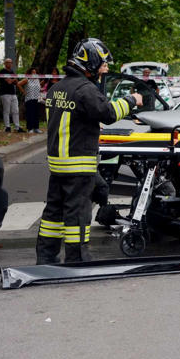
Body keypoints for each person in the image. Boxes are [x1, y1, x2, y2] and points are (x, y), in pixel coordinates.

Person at [36, 38, 142, 264]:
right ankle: (77, 260)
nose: (104, 71)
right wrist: (132, 99)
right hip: (79, 165)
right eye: (102, 65)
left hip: (58, 165)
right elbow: (109, 113)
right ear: (91, 62)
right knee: (78, 215)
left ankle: (45, 257)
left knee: (53, 214)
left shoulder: (57, 89)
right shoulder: (85, 90)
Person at [0, 58, 25, 133]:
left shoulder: (12, 72)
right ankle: (7, 127)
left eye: (10, 62)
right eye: (7, 62)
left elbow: (16, 82)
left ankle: (17, 127)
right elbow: (9, 81)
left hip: (13, 93)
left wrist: (13, 80)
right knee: (7, 111)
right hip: (5, 93)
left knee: (16, 110)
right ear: (5, 63)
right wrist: (13, 79)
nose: (9, 64)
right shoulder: (2, 71)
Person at [18, 67, 43, 133]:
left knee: (36, 114)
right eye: (32, 72)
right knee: (30, 114)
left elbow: (39, 87)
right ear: (30, 73)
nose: (34, 73)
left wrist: (41, 89)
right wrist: (23, 91)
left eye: (35, 72)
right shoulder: (27, 79)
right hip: (29, 98)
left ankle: (36, 128)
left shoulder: (38, 79)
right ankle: (30, 128)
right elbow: (18, 84)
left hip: (37, 98)